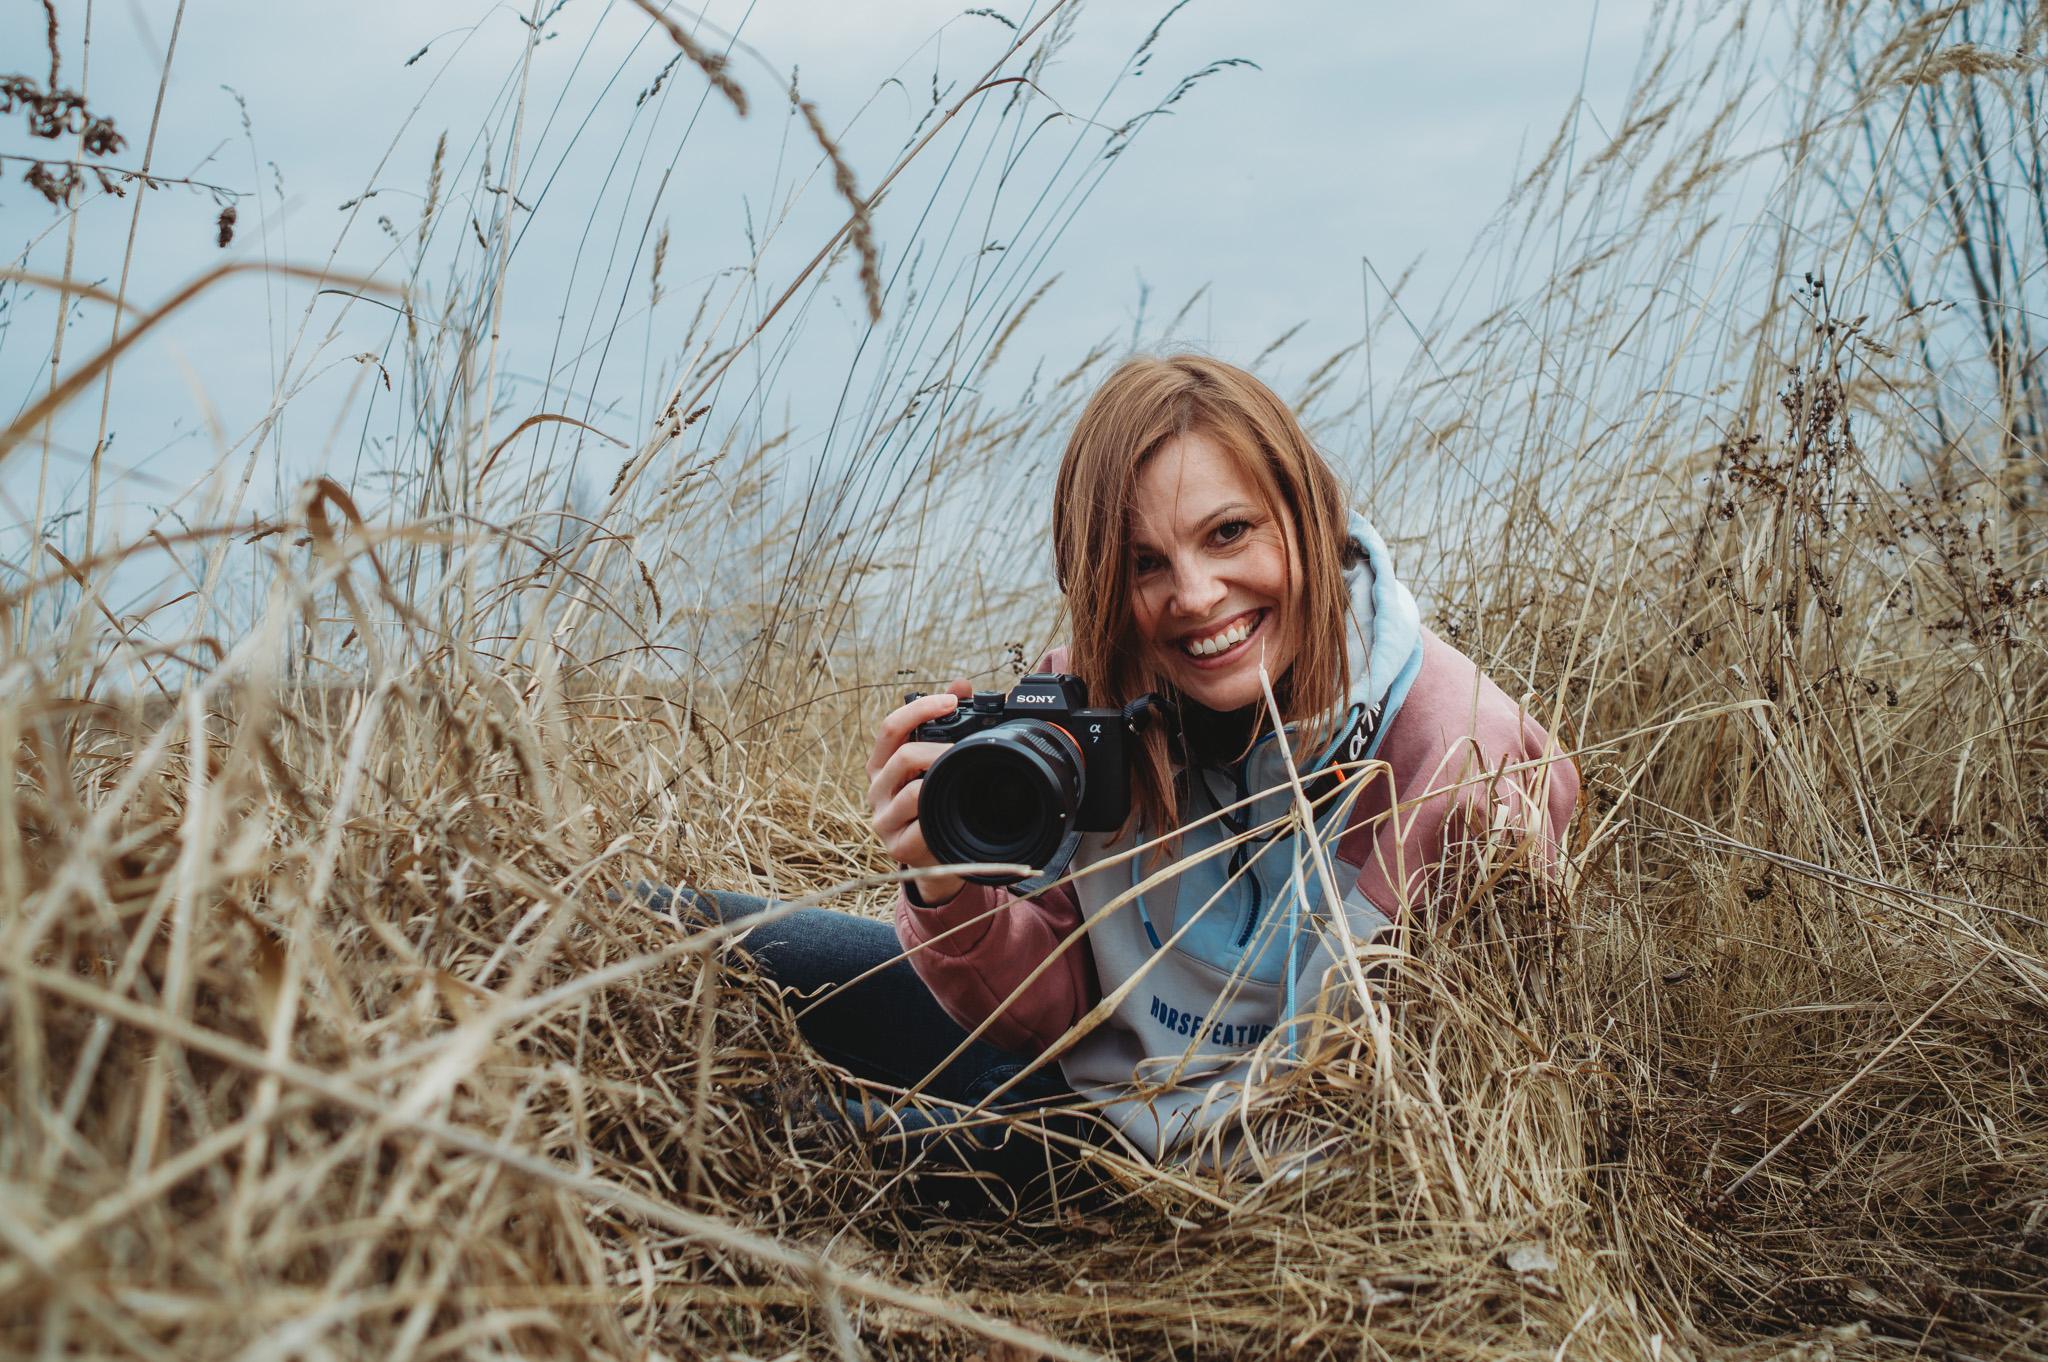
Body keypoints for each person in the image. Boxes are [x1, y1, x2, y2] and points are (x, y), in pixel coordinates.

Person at [666, 353, 1577, 1207]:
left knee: (775, 1141)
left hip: (1171, 1166)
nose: (1196, 596)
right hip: (1076, 1083)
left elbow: (1399, 1116)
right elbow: (1053, 1008)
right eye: (1145, 563)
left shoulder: (1465, 762)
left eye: (1229, 532)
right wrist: (947, 890)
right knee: (667, 928)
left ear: (1307, 513)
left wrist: (1064, 1151)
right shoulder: (1106, 698)